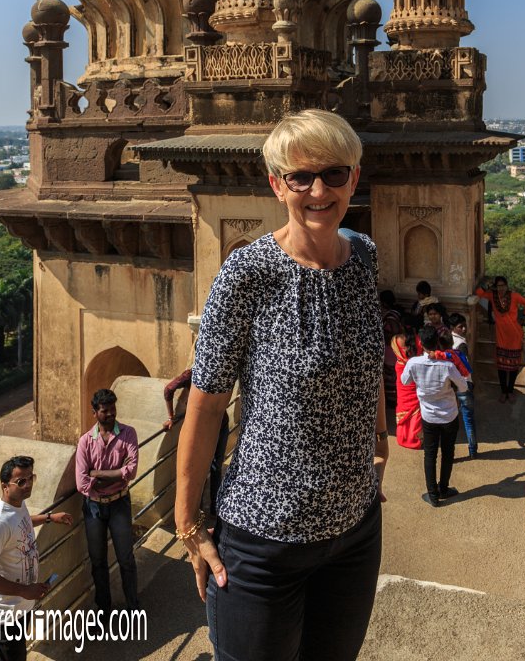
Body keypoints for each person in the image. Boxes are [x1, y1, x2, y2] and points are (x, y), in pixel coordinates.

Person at [174, 108, 387, 661]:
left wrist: (376, 444)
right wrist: (189, 522)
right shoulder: (247, 273)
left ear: (354, 178)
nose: (319, 190)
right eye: (301, 177)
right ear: (277, 184)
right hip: (264, 541)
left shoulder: (363, 256)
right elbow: (207, 403)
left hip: (354, 532)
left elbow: (366, 355)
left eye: (334, 174)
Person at [0, 455, 72, 661]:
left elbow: (21, 522)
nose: (28, 485)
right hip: (4, 617)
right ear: (4, 486)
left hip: (20, 607)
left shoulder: (18, 505)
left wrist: (49, 517)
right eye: (21, 481)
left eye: (31, 478)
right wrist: (25, 590)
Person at [75, 388, 139, 614]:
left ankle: (133, 606)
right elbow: (82, 483)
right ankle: (104, 607)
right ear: (95, 413)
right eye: (105, 411)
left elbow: (131, 472)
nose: (111, 414)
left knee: (126, 558)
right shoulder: (85, 442)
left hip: (119, 503)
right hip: (93, 507)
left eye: (113, 409)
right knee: (98, 561)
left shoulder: (128, 434)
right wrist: (116, 473)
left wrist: (97, 474)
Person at [401, 325, 468, 506]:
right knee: (448, 453)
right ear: (437, 343)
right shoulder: (447, 365)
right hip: (449, 415)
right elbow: (464, 386)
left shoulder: (413, 363)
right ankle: (444, 488)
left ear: (421, 343)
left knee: (430, 455)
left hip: (429, 416)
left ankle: (433, 495)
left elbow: (404, 380)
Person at [162, 367, 230, 516]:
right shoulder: (192, 374)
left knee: (213, 467)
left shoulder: (214, 370)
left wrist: (171, 417)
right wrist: (170, 417)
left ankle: (211, 508)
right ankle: (200, 509)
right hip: (206, 427)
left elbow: (168, 390)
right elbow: (168, 390)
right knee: (205, 467)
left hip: (219, 424)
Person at [475, 276, 525, 403]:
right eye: (499, 286)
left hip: (515, 334)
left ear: (507, 286)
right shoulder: (492, 295)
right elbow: (478, 293)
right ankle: (503, 391)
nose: (501, 289)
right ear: (496, 287)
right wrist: (488, 286)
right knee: (501, 366)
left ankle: (510, 391)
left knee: (513, 366)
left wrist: (523, 318)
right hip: (501, 335)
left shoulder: (515, 296)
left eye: (503, 286)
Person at [448, 314, 478, 459]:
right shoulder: (461, 345)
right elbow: (465, 367)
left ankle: (450, 453)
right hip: (464, 385)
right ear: (453, 328)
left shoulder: (446, 341)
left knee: (451, 421)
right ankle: (472, 449)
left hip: (450, 384)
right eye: (461, 326)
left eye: (464, 325)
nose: (464, 329)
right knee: (468, 419)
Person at [391, 328, 423, 449]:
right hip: (415, 379)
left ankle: (403, 438)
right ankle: (415, 440)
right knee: (416, 411)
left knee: (403, 408)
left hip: (402, 383)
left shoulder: (395, 340)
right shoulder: (417, 341)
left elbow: (399, 354)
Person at [380, 290, 404, 409]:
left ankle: (392, 400)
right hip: (392, 348)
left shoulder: (391, 316)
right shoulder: (394, 314)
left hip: (391, 349)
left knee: (391, 375)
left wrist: (383, 335)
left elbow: (394, 332)